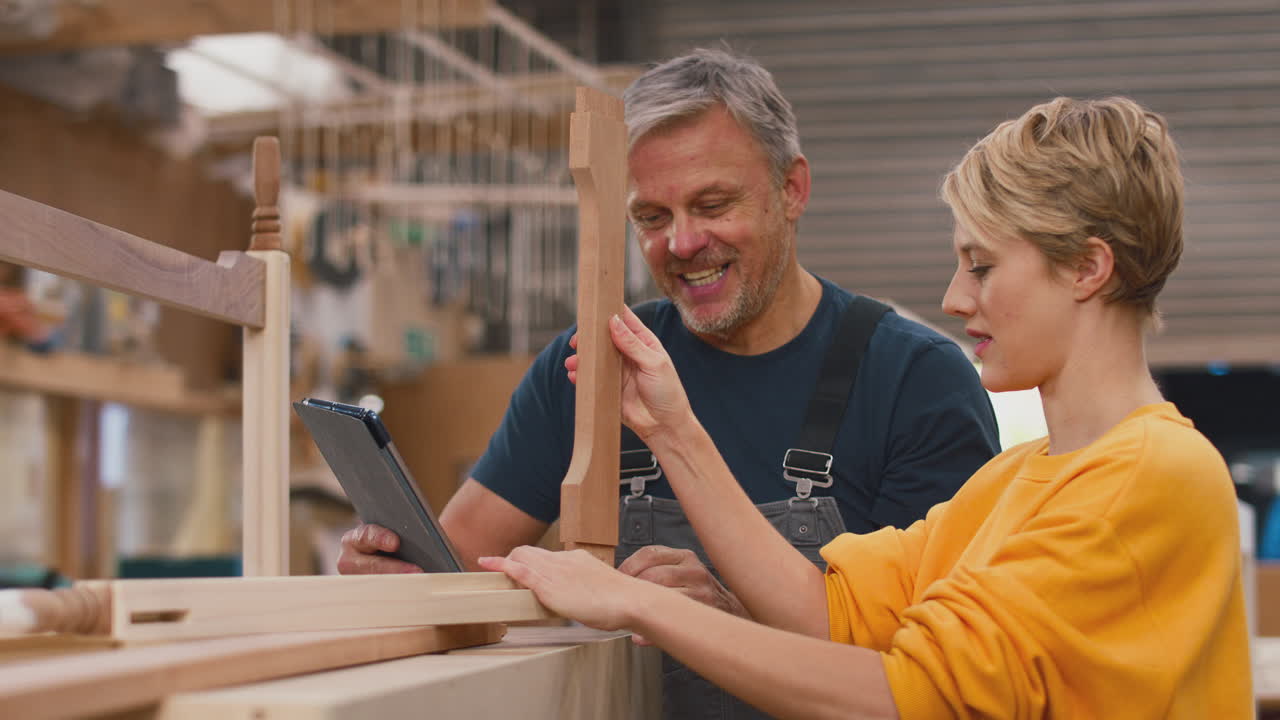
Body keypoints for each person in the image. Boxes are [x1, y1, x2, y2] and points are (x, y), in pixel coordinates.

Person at [478, 96, 1253, 717]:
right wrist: (673, 430)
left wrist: (634, 606)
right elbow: (830, 610)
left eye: (981, 268)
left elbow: (904, 697)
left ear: (1088, 268)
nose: (955, 299)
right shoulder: (1019, 482)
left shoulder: (1149, 477)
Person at [340, 48, 1000, 716]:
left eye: (713, 204)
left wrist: (726, 614)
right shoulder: (591, 368)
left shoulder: (916, 382)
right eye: (652, 218)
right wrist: (396, 574)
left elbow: (935, 683)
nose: (682, 243)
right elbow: (456, 573)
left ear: (792, 189)